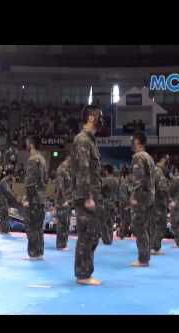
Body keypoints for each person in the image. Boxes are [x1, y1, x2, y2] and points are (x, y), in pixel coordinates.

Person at [71, 105, 103, 285]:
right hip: (85, 195)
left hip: (90, 194)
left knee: (92, 234)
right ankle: (83, 275)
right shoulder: (83, 140)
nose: (101, 119)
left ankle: (85, 272)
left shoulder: (90, 140)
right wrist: (88, 196)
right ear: (91, 117)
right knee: (87, 234)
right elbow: (83, 170)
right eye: (98, 115)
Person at [129, 132, 155, 267]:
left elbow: (138, 180)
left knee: (139, 227)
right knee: (145, 227)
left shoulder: (138, 157)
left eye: (133, 140)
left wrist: (133, 196)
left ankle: (143, 259)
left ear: (137, 141)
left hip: (142, 197)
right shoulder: (149, 158)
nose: (131, 143)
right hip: (150, 196)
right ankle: (145, 257)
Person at [23, 135, 47, 260]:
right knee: (38, 227)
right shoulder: (42, 159)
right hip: (41, 198)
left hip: (34, 199)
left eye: (27, 143)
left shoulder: (33, 160)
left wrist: (28, 199)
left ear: (31, 144)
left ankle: (33, 253)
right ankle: (39, 252)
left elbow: (30, 183)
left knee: (31, 226)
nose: (26, 145)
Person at [150, 154, 170, 255]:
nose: (167, 163)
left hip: (152, 203)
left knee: (153, 225)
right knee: (160, 225)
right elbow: (162, 189)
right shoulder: (159, 171)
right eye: (165, 160)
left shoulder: (152, 170)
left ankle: (152, 246)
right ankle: (155, 247)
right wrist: (168, 200)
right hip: (158, 203)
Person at [55, 155, 72, 250]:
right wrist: (64, 200)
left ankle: (64, 243)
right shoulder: (61, 170)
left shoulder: (67, 171)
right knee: (62, 223)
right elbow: (60, 187)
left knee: (66, 223)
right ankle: (61, 244)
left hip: (68, 201)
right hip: (62, 201)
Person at [100, 164, 118, 245]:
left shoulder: (106, 180)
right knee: (110, 222)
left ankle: (106, 239)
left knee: (104, 221)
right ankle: (110, 238)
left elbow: (100, 189)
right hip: (113, 203)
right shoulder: (116, 180)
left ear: (106, 171)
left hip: (106, 202)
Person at [0, 169, 15, 234]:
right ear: (10, 175)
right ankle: (3, 230)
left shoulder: (6, 181)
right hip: (2, 200)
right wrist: (14, 196)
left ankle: (5, 230)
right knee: (3, 215)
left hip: (5, 200)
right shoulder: (4, 181)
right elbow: (8, 191)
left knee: (6, 215)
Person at [117, 168, 132, 239]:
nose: (132, 177)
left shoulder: (126, 183)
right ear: (127, 175)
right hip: (124, 204)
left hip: (125, 204)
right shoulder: (124, 184)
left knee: (126, 220)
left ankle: (122, 234)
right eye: (130, 175)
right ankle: (121, 235)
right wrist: (127, 204)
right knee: (125, 220)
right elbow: (124, 196)